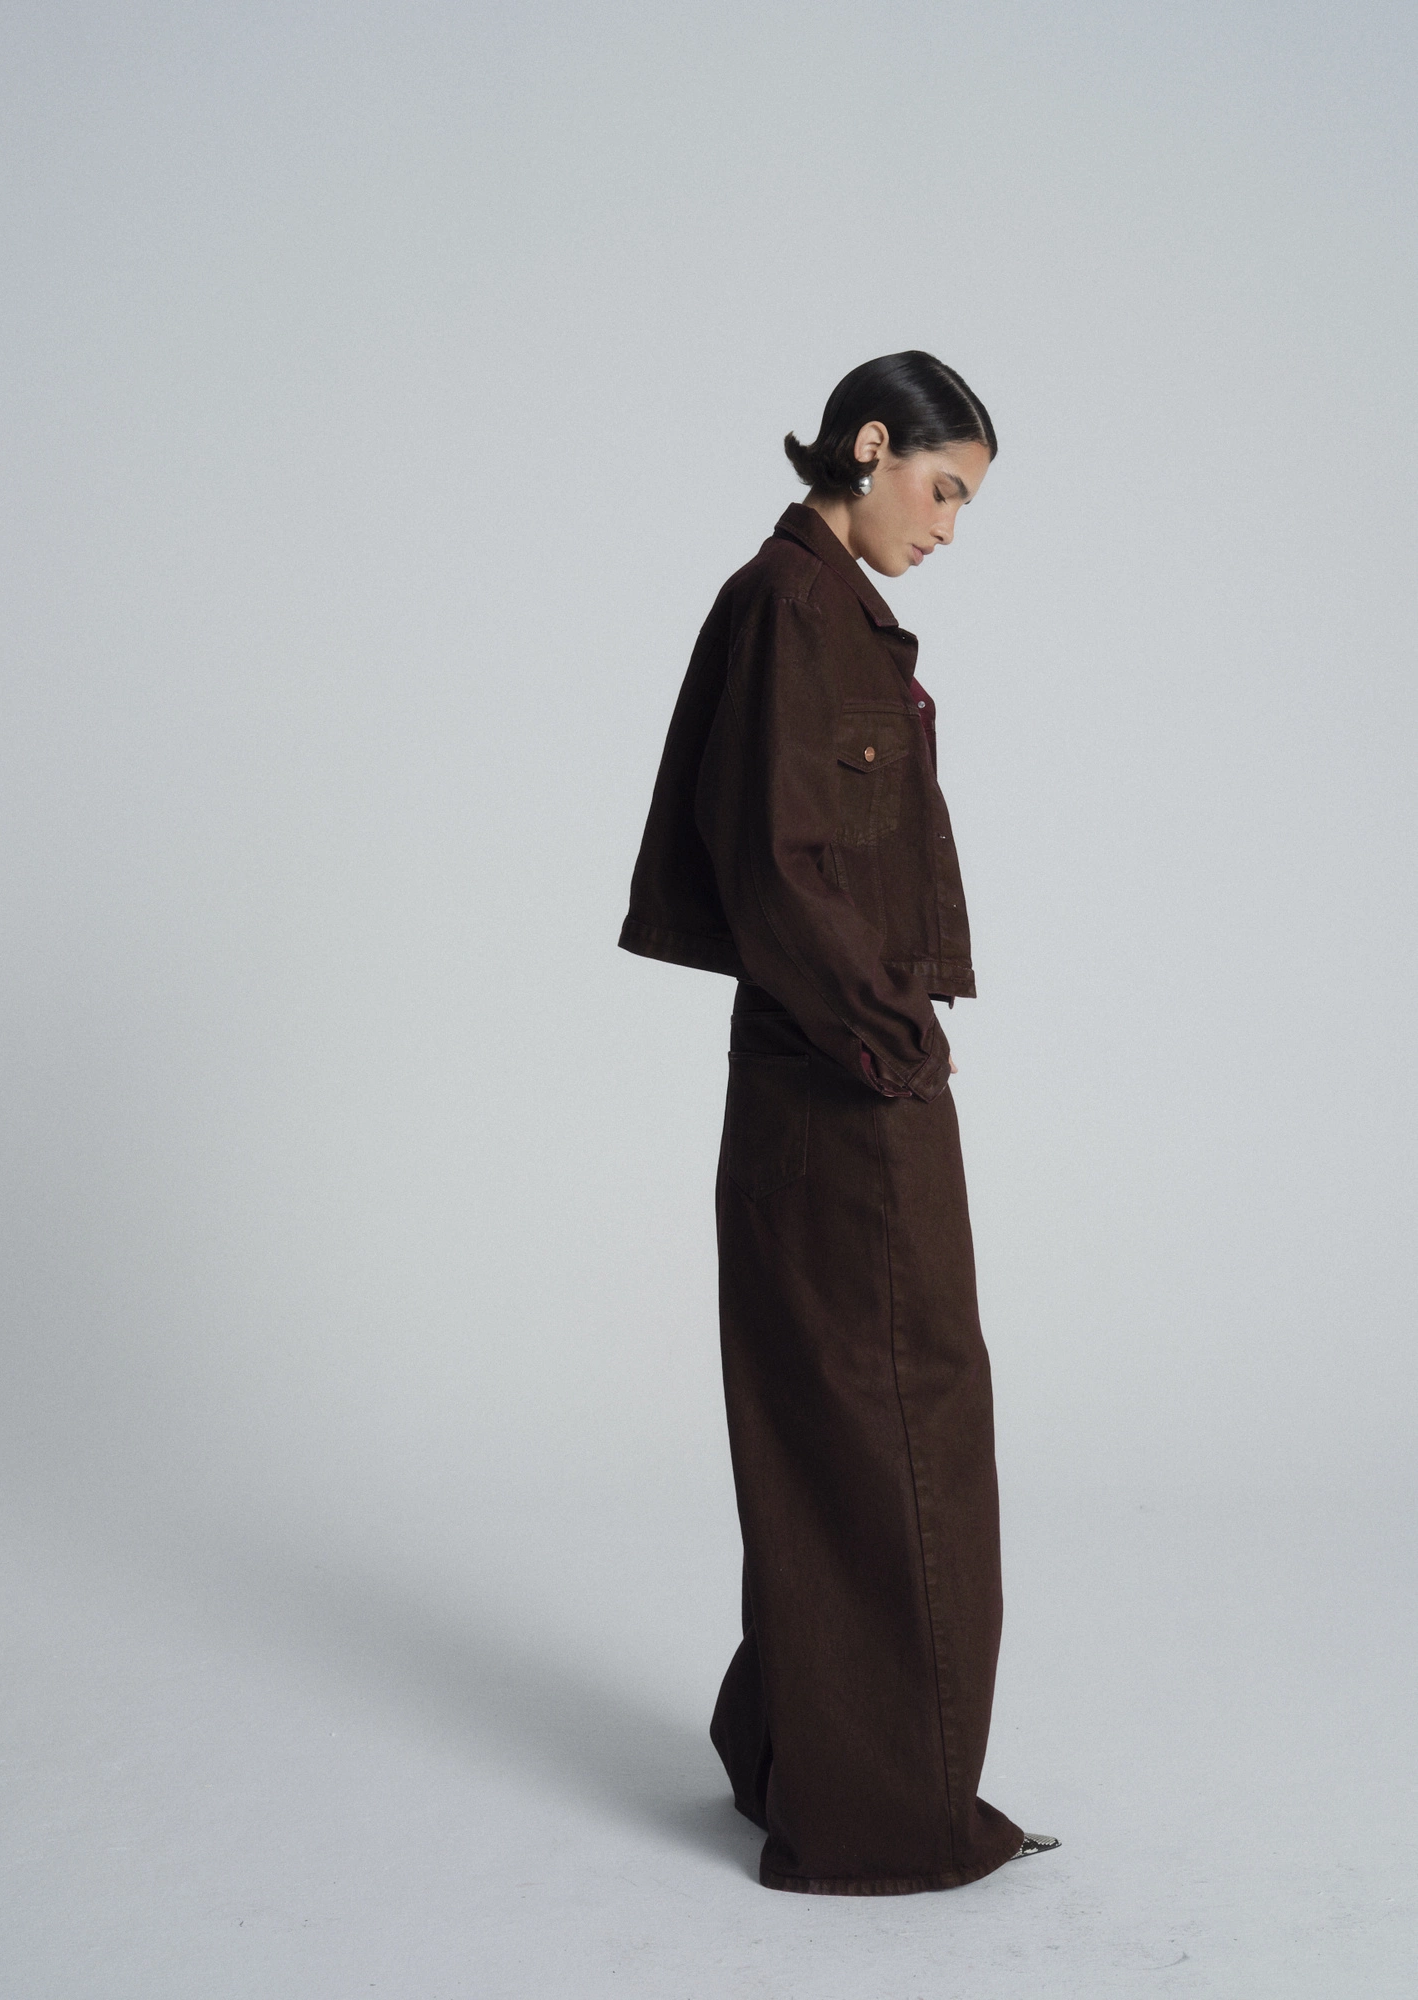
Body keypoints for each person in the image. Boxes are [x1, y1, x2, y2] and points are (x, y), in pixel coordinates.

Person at [618, 351, 1058, 1894]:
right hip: (843, 1071)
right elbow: (774, 862)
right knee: (899, 1427)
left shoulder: (821, 608)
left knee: (845, 1425)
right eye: (942, 489)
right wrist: (895, 1044)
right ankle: (886, 1821)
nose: (948, 527)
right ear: (870, 446)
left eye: (967, 505)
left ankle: (795, 1762)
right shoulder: (791, 609)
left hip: (832, 1062)